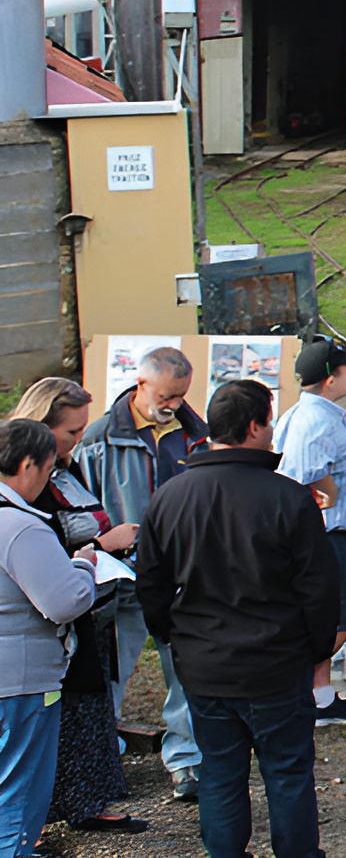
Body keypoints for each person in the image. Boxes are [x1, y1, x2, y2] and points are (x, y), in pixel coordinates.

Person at [135, 380, 339, 858]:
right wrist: (316, 648)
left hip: (204, 664)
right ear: (254, 427)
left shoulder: (169, 497)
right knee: (287, 772)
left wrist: (173, 637)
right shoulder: (290, 499)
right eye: (269, 422)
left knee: (221, 771)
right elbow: (320, 587)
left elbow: (151, 582)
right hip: (276, 662)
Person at [10, 380, 145, 838]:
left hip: (90, 603)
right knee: (55, 722)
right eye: (71, 432)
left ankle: (85, 800)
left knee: (90, 705)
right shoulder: (25, 492)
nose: (79, 440)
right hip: (55, 620)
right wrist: (99, 547)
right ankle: (44, 818)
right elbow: (43, 548)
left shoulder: (65, 469)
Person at [72, 345, 206, 801]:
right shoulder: (97, 439)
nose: (174, 405)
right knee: (110, 673)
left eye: (182, 395)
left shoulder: (194, 435)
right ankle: (102, 762)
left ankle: (186, 761)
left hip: (179, 577)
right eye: (167, 395)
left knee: (185, 671)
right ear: (140, 383)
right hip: (122, 578)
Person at [0, 418, 99, 858]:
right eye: (47, 468)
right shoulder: (19, 527)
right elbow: (63, 601)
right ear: (27, 465)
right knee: (18, 790)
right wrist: (84, 568)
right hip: (20, 681)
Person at [272, 338, 346, 727]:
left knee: (334, 620)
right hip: (328, 537)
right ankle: (297, 691)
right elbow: (302, 478)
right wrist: (329, 498)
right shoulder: (315, 423)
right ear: (331, 379)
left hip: (329, 536)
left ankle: (320, 698)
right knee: (340, 621)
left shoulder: (309, 415)